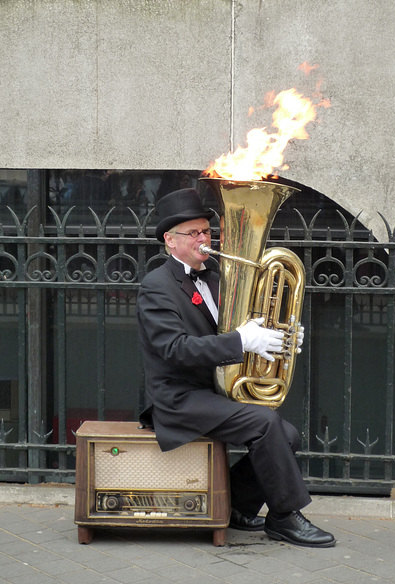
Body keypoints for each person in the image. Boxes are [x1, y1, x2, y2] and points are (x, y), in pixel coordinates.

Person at [137, 187, 335, 548]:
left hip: (213, 390)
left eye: (206, 231)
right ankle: (284, 516)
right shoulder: (157, 287)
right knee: (265, 424)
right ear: (170, 241)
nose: (202, 238)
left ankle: (238, 508)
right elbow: (174, 350)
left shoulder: (217, 276)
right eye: (192, 233)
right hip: (179, 399)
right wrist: (242, 341)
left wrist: (279, 336)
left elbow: (244, 330)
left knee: (287, 435)